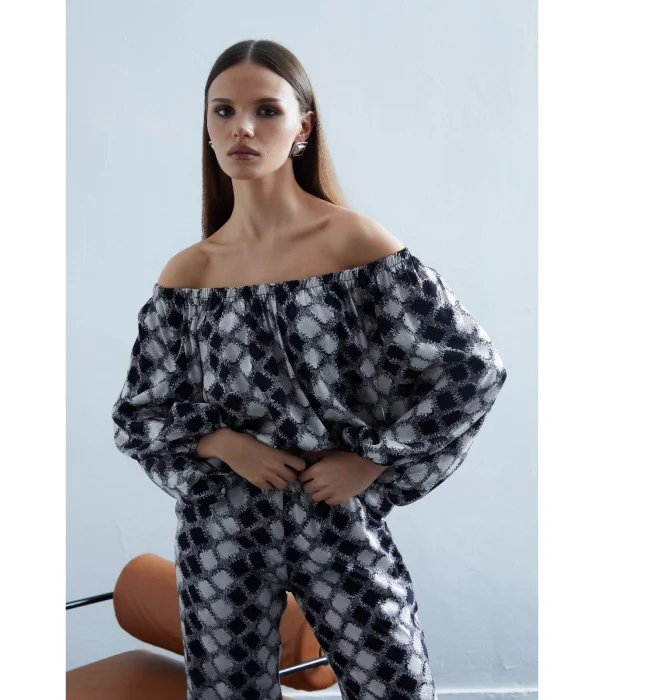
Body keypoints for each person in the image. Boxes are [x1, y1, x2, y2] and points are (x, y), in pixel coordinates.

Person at [111, 39, 507, 700]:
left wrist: (372, 459)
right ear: (206, 126)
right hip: (222, 526)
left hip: (334, 515)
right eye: (223, 111)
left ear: (303, 126)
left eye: (266, 110)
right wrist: (222, 442)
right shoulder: (189, 274)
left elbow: (473, 370)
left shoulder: (357, 245)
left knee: (395, 684)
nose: (242, 128)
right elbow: (137, 415)